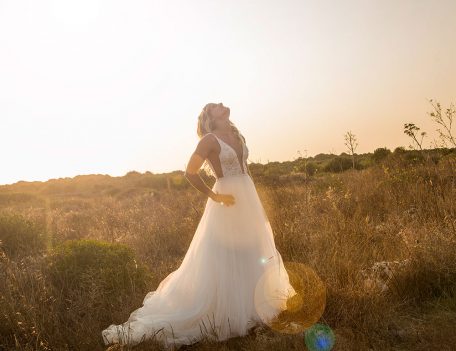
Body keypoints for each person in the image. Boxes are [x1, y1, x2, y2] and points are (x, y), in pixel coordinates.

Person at [101, 102, 296, 349]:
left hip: (248, 195)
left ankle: (254, 303)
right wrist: (215, 196)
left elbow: (245, 169)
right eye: (216, 106)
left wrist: (253, 200)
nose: (223, 105)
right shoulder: (209, 140)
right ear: (209, 118)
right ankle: (227, 310)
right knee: (225, 252)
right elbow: (190, 173)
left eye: (222, 104)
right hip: (226, 198)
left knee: (253, 247)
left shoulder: (236, 133)